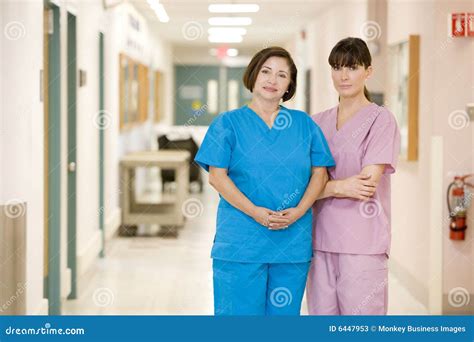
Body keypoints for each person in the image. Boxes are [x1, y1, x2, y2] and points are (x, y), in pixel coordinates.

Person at [194, 46, 335, 315]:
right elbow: (217, 177)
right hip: (240, 242)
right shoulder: (228, 123)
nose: (272, 80)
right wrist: (256, 213)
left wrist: (299, 211)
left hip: (291, 241)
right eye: (266, 72)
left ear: (289, 85)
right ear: (254, 75)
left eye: (282, 75)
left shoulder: (304, 124)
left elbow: (320, 173)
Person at [306, 37, 401, 315]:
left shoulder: (381, 120)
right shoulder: (316, 122)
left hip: (362, 244)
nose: (343, 76)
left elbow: (365, 184)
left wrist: (322, 187)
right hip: (319, 241)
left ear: (368, 71)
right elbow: (300, 185)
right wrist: (339, 187)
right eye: (336, 68)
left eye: (352, 67)